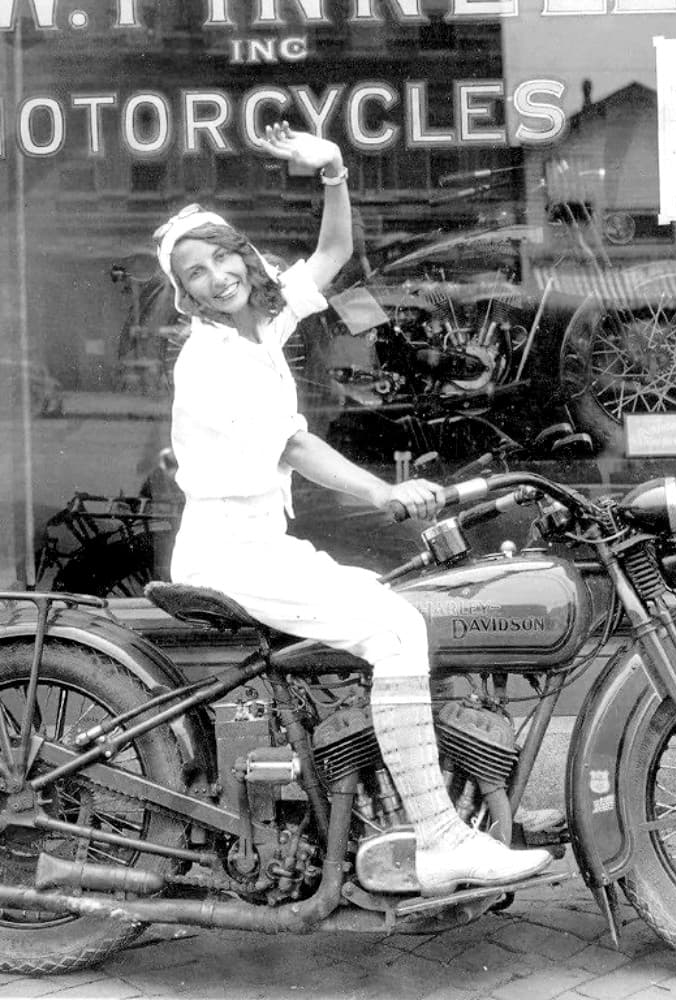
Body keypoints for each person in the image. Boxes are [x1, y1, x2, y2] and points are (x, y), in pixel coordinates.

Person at [153, 121, 551, 896]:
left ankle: (390, 804)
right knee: (395, 629)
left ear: (242, 254)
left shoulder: (259, 327)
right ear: (185, 292)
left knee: (393, 608)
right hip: (231, 554)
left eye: (221, 257)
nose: (216, 277)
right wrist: (383, 491)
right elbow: (294, 446)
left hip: (261, 544)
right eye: (195, 273)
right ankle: (439, 840)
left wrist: (333, 169)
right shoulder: (212, 357)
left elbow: (333, 255)